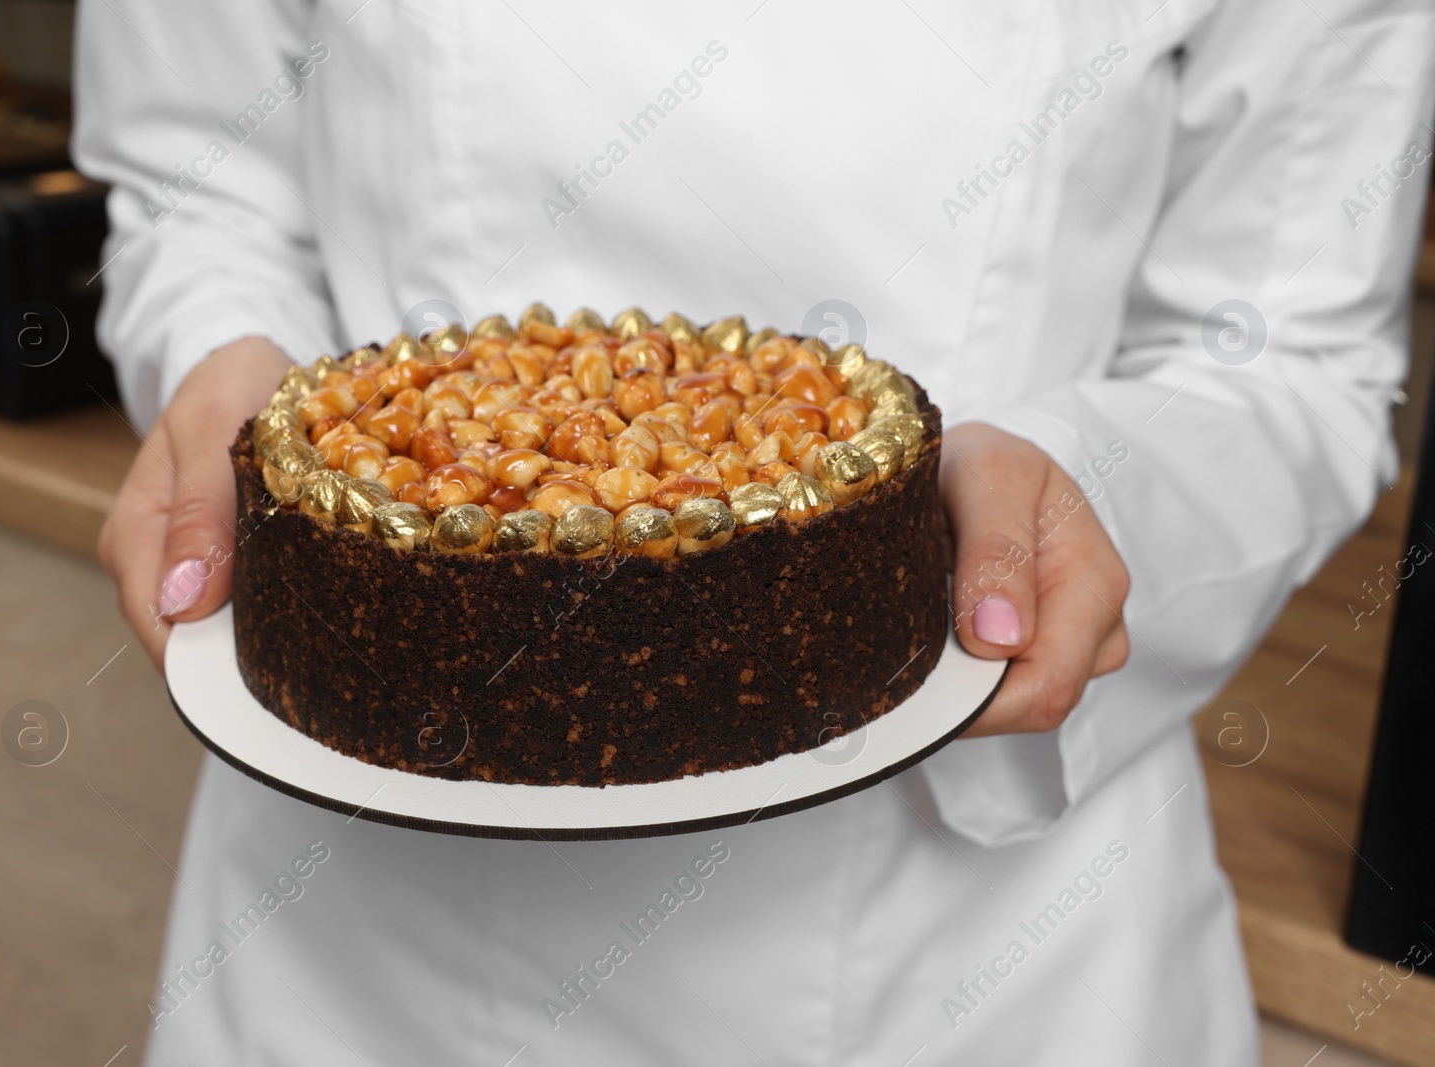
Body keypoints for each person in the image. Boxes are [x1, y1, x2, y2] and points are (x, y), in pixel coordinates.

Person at [74, 1, 1431, 1062]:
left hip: (986, 964)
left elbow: (1280, 344)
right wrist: (230, 372)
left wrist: (1088, 490)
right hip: (360, 920)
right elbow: (205, 183)